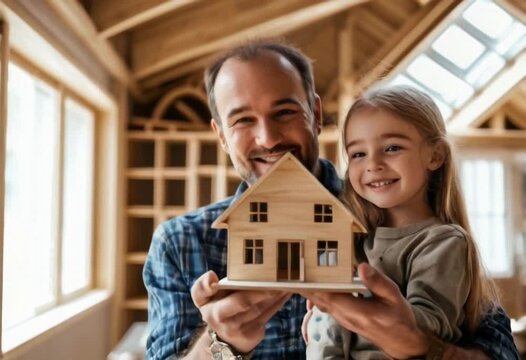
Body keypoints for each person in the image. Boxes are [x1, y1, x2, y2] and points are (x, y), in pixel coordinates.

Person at [142, 40, 519, 359]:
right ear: (221, 135)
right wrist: (220, 342)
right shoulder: (179, 243)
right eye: (242, 120)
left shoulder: (397, 215)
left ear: (316, 114)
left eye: (285, 112)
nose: (268, 138)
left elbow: (500, 350)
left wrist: (421, 345)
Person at [303, 85, 501, 359]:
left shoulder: (443, 242)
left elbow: (429, 330)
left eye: (392, 148)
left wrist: (347, 307)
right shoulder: (354, 238)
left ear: (435, 155)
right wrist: (326, 315)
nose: (373, 163)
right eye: (358, 154)